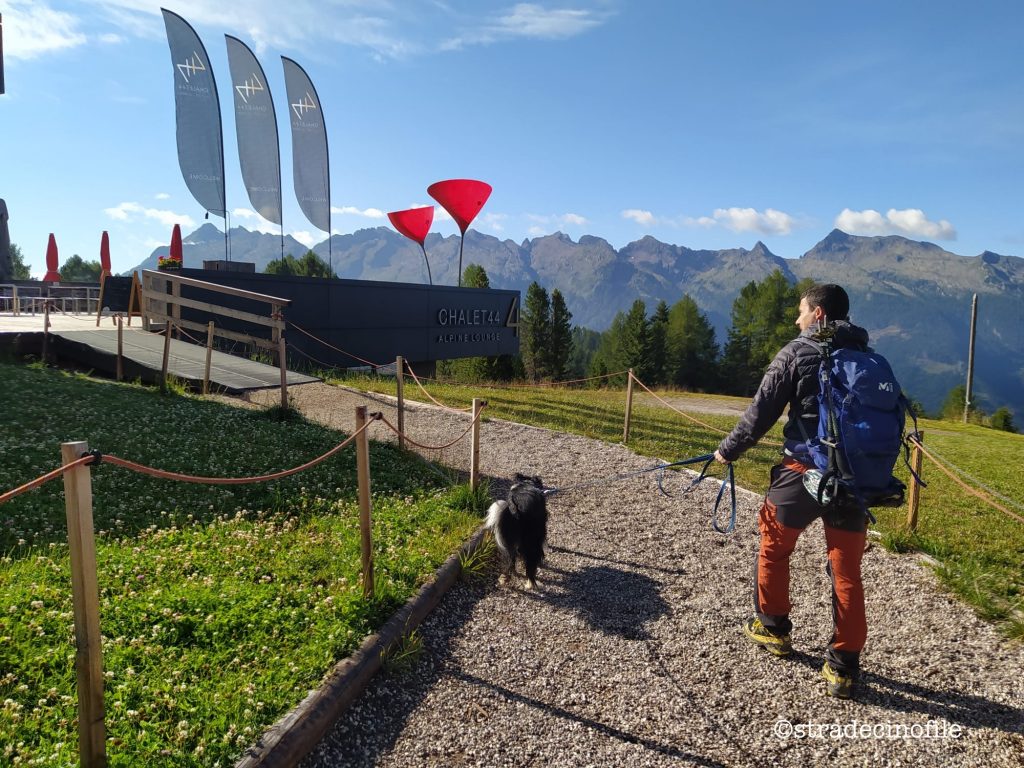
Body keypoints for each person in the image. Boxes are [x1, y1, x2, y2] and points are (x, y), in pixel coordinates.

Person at [714, 283, 869, 699]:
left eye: (801, 311)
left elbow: (759, 413)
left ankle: (773, 628)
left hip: (802, 473)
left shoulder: (797, 353)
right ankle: (842, 668)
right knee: (846, 571)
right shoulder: (866, 356)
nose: (796, 319)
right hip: (854, 481)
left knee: (774, 547)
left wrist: (727, 451)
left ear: (818, 314)